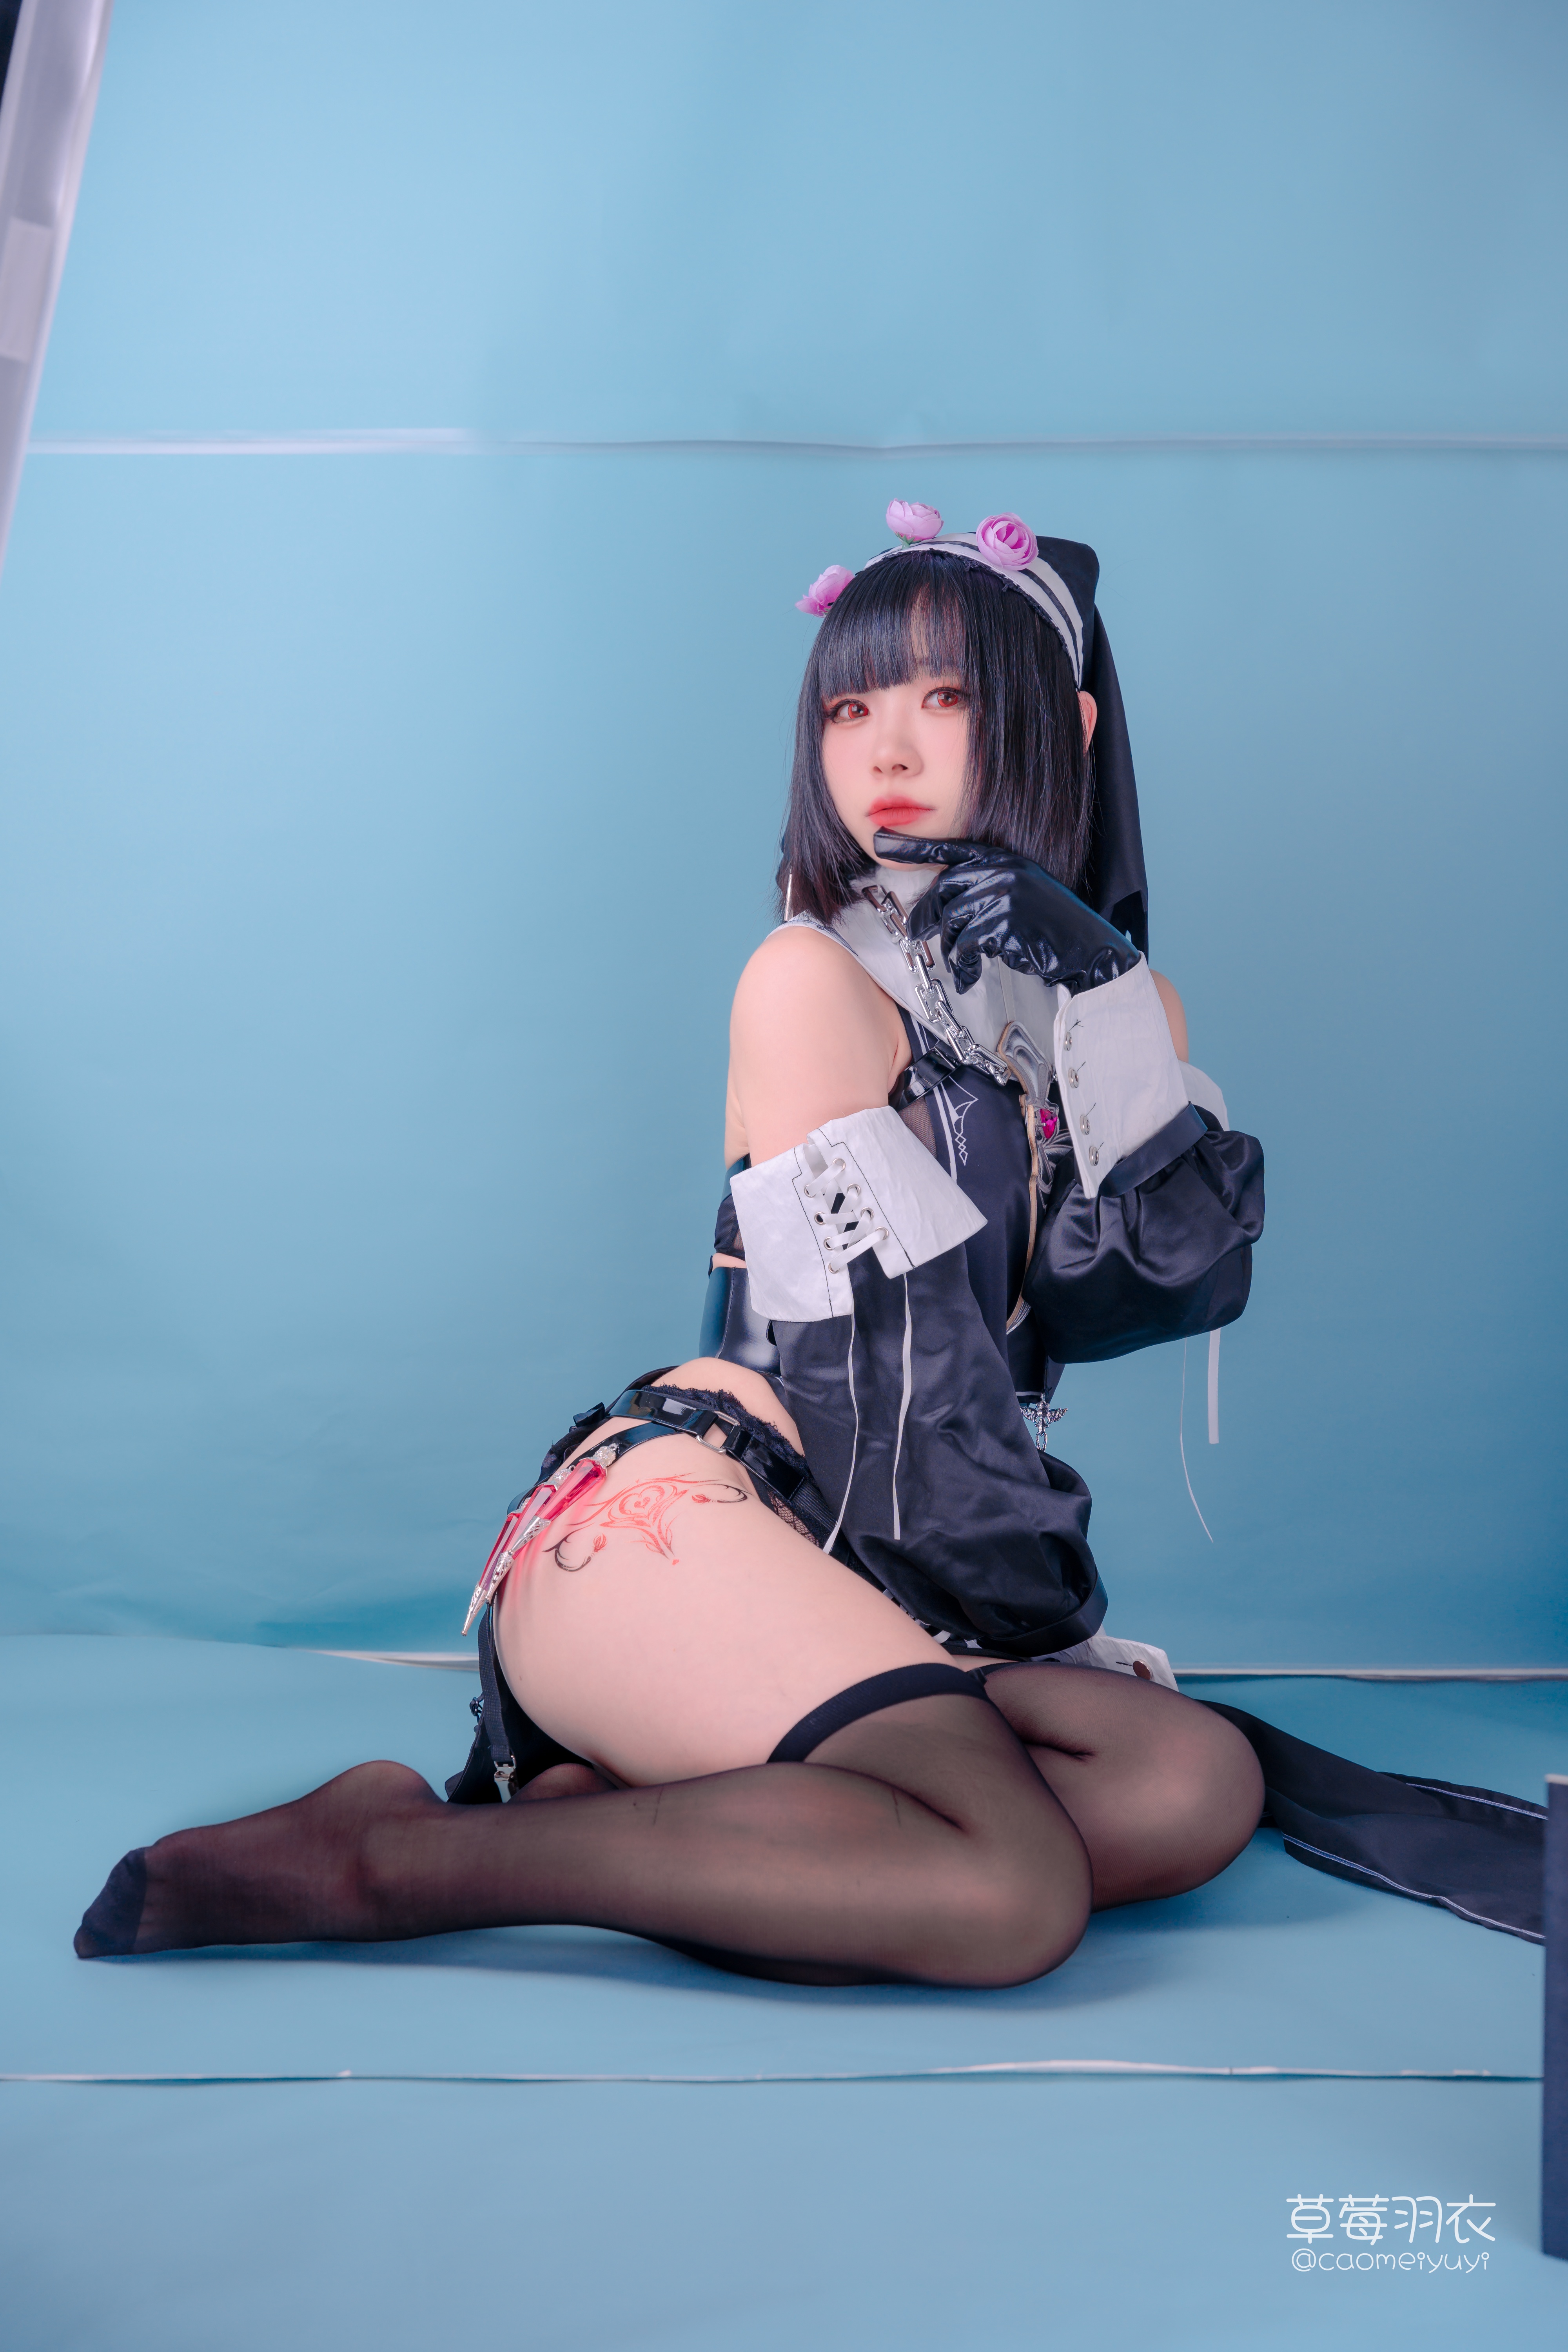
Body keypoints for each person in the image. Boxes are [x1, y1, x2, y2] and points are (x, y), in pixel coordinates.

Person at [77, 510, 1536, 1980]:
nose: (885, 750)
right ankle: (386, 1857)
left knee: (1189, 1783)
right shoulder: (810, 978)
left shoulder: (1114, 1013)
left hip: (878, 1571)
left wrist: (1101, 989)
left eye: (945, 697)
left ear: (1071, 728)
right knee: (1014, 1885)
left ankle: (657, 1812)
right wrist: (1029, 1626)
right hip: (694, 1526)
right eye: (849, 708)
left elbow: (1158, 1286)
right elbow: (890, 1397)